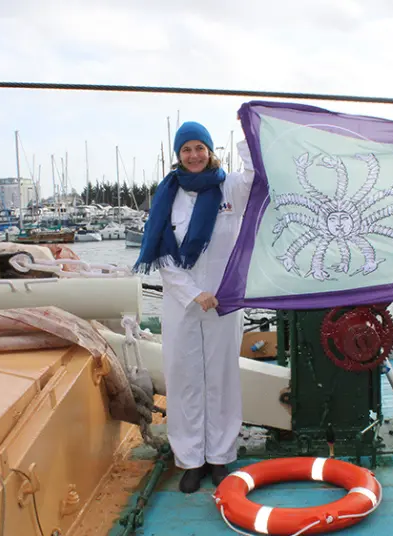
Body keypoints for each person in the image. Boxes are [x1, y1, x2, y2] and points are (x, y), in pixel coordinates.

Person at [133, 121, 254, 493]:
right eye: (187, 149)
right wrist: (192, 293)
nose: (194, 155)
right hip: (182, 303)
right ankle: (190, 460)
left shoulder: (229, 186)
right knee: (183, 378)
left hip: (224, 300)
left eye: (200, 147)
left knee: (221, 377)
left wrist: (250, 127)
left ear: (211, 150)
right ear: (178, 155)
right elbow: (163, 252)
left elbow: (255, 171)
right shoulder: (168, 194)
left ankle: (219, 457)